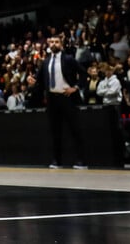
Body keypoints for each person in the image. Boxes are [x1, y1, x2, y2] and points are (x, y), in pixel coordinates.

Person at [37, 35, 88, 170]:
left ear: (61, 44)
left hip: (67, 97)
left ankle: (81, 160)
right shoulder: (46, 61)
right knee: (55, 131)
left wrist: (75, 87)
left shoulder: (68, 59)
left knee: (74, 129)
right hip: (52, 99)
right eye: (51, 42)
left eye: (56, 42)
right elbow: (40, 81)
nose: (54, 44)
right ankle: (57, 161)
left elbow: (83, 73)